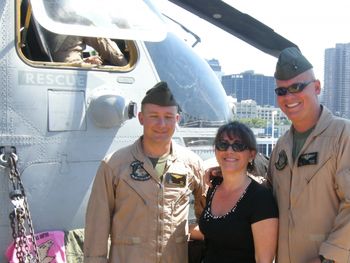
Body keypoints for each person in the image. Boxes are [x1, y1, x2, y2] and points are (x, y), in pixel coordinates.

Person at [84, 81, 206, 263]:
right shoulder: (114, 165)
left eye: (168, 117)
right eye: (154, 116)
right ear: (141, 118)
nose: (161, 124)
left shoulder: (192, 164)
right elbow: (97, 224)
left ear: (177, 120)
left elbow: (208, 217)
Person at [267, 47, 350, 263]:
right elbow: (268, 188)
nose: (289, 96)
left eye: (297, 87)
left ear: (317, 87)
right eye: (282, 91)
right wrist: (233, 168)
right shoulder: (282, 144)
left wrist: (328, 259)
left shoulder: (343, 136)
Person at [196, 121, 279, 263]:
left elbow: (264, 260)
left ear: (252, 154)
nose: (229, 150)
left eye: (238, 146)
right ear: (215, 150)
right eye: (223, 144)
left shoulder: (260, 199)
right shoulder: (214, 186)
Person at [46, 34, 128, 66]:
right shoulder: (74, 22)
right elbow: (109, 49)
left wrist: (85, 61)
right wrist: (125, 64)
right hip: (71, 70)